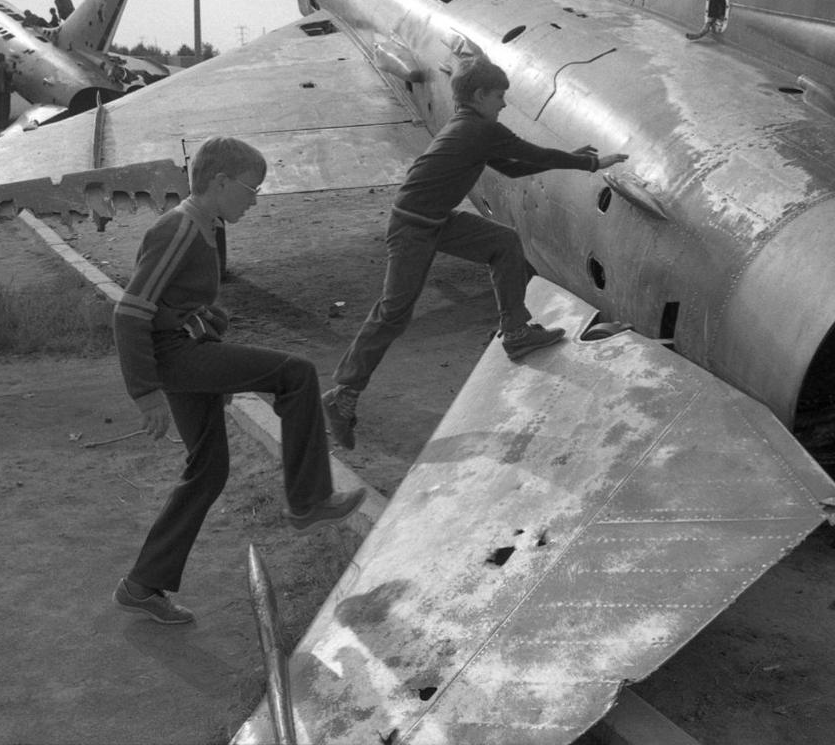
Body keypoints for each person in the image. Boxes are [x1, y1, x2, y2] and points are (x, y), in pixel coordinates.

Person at [111, 136, 364, 624]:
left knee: (208, 469)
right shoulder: (179, 229)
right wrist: (146, 394)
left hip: (190, 349)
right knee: (296, 374)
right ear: (220, 182)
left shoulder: (204, 228)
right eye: (252, 188)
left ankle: (143, 584)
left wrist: (210, 317)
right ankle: (309, 500)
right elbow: (130, 312)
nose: (255, 198)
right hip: (177, 357)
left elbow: (175, 301)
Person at [322, 50, 628, 450]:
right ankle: (343, 393)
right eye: (500, 96)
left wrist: (576, 159)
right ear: (481, 94)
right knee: (393, 312)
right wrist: (589, 164)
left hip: (434, 220)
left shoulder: (470, 127)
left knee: (503, 242)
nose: (504, 104)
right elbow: (531, 153)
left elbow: (515, 166)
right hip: (413, 228)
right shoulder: (479, 130)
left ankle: (516, 331)